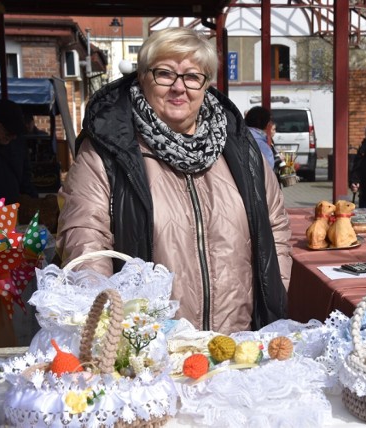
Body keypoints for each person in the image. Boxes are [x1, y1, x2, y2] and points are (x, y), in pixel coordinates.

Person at [56, 27, 291, 335]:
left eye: (193, 76)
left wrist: (276, 289)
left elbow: (276, 227)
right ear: (142, 77)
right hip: (147, 350)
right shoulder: (107, 150)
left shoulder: (240, 148)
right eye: (165, 74)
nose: (179, 88)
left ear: (206, 85)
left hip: (235, 345)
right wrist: (114, 332)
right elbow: (87, 243)